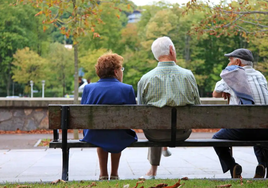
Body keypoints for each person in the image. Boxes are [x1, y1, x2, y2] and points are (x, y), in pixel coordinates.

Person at [137, 36, 201, 179]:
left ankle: (152, 171)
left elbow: (141, 112)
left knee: (154, 125)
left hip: (154, 134)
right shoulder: (188, 76)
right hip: (182, 133)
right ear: (172, 50)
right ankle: (156, 163)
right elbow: (198, 107)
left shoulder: (145, 79)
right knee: (158, 125)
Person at [80, 52, 137, 180]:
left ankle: (103, 174)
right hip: (120, 134)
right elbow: (133, 117)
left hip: (94, 134)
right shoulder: (127, 89)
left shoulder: (88, 89)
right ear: (116, 72)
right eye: (121, 69)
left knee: (101, 132)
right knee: (117, 131)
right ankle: (115, 174)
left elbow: (83, 114)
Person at [212, 48, 268, 178]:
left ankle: (232, 166)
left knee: (216, 139)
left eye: (230, 60)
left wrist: (225, 89)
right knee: (259, 135)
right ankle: (263, 165)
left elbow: (215, 94)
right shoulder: (260, 76)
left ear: (237, 62)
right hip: (265, 128)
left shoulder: (232, 75)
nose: (228, 64)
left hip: (242, 130)